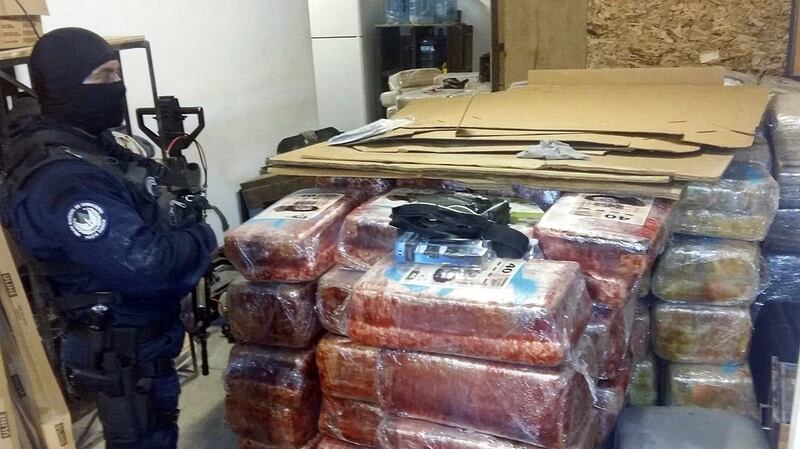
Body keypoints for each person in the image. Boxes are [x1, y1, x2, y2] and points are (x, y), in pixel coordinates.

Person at [0, 28, 217, 449]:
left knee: (159, 428)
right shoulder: (65, 180)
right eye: (101, 76)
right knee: (141, 439)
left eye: (117, 73)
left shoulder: (90, 148)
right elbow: (147, 265)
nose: (115, 86)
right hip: (119, 349)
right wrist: (201, 237)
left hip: (141, 341)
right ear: (63, 85)